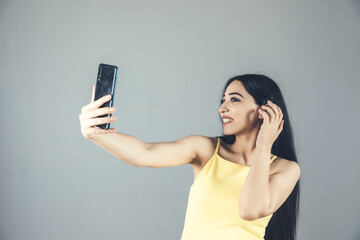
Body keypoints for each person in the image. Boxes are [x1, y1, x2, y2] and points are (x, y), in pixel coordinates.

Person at [78, 74, 301, 240]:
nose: (223, 108)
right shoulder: (206, 150)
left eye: (234, 100)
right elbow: (144, 153)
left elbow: (249, 210)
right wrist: (95, 133)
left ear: (266, 110)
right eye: (222, 101)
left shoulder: (284, 168)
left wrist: (264, 144)